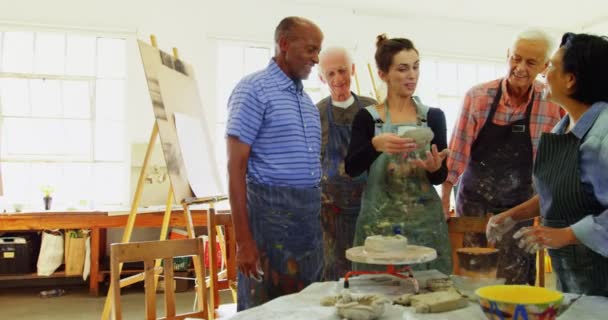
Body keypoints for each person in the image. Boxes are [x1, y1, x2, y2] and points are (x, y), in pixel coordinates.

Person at [487, 33, 608, 296]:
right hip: (575, 277)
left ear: (571, 79)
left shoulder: (604, 135)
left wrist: (566, 234)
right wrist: (510, 216)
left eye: (551, 65)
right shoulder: (564, 126)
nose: (543, 73)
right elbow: (559, 194)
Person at [441, 29, 562, 284]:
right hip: (474, 206)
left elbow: (556, 168)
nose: (519, 67)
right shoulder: (478, 97)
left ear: (544, 66)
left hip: (519, 211)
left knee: (513, 285)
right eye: (515, 58)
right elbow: (456, 153)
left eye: (530, 62)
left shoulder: (551, 104)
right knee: (474, 282)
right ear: (507, 55)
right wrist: (443, 198)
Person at [226, 16, 324, 310]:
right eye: (310, 49)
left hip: (308, 224)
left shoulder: (306, 103)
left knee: (307, 308)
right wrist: (244, 242)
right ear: (284, 44)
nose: (316, 58)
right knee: (264, 310)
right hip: (268, 222)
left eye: (318, 50)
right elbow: (235, 168)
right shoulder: (254, 90)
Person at [345, 34, 452, 275]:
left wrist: (435, 168)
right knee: (378, 296)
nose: (412, 75)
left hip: (424, 225)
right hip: (379, 229)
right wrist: (375, 144)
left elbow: (439, 177)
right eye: (403, 69)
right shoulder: (368, 118)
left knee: (429, 294)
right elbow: (351, 168)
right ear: (383, 74)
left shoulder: (433, 116)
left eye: (415, 67)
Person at [316, 47, 377, 281]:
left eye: (342, 71)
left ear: (352, 70)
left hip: (368, 209)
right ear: (322, 78)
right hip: (329, 215)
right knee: (332, 276)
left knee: (368, 273)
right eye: (330, 74)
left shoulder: (372, 109)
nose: (338, 79)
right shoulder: (316, 113)